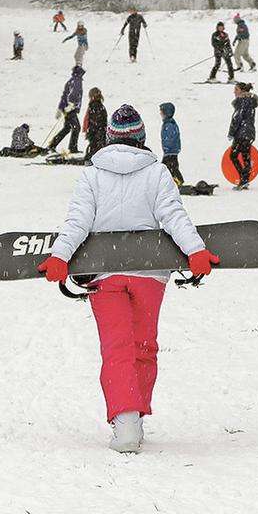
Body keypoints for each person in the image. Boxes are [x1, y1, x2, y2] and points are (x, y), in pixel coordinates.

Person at [36, 105, 222, 454]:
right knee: (143, 346)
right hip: (150, 273)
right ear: (141, 138)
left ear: (110, 138)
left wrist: (61, 256)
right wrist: (194, 250)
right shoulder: (157, 173)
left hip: (104, 274)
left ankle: (125, 421)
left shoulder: (92, 175)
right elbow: (173, 215)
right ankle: (135, 415)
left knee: (116, 348)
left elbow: (77, 221)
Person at [228, 82, 258, 190]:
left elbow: (237, 118)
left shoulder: (242, 102)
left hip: (241, 133)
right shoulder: (251, 102)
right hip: (249, 133)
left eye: (236, 89)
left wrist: (231, 132)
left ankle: (243, 179)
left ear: (241, 91)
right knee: (246, 156)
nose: (234, 92)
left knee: (233, 155)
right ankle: (245, 179)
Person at [49, 65, 84, 154]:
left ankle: (53, 144)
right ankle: (72, 148)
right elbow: (74, 94)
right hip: (70, 108)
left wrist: (60, 108)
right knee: (76, 128)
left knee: (67, 128)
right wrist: (72, 104)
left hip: (66, 108)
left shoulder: (70, 81)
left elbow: (64, 96)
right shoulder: (77, 81)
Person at [158, 102, 183, 185]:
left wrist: (167, 148)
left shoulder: (169, 125)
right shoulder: (169, 123)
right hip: (170, 151)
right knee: (170, 167)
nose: (160, 114)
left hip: (170, 151)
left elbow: (169, 138)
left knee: (168, 168)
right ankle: (172, 181)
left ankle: (178, 181)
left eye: (162, 113)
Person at [83, 87, 107, 160]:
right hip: (99, 133)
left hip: (96, 133)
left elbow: (95, 122)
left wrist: (90, 132)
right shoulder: (99, 106)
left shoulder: (94, 106)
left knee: (94, 148)